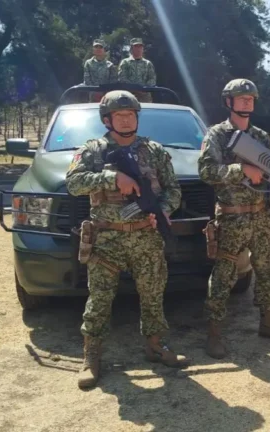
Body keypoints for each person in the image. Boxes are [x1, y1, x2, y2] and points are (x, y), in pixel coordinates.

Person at [65, 90, 189, 389]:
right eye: (119, 115)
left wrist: (163, 210)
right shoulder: (92, 150)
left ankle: (156, 345)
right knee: (99, 299)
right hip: (106, 239)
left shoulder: (154, 151)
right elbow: (73, 183)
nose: (125, 120)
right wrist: (112, 178)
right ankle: (91, 357)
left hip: (146, 237)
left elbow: (173, 189)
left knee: (153, 295)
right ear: (107, 119)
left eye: (130, 114)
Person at [197, 78, 270, 359]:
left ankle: (268, 323)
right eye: (241, 97)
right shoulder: (216, 135)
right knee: (224, 276)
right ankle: (214, 334)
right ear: (229, 102)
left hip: (262, 217)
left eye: (250, 98)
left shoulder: (260, 136)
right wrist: (241, 170)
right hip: (232, 218)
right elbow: (206, 172)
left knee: (266, 271)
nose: (247, 101)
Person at [117, 38, 156, 103]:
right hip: (129, 95)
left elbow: (152, 79)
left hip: (145, 97)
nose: (138, 49)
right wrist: (134, 88)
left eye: (140, 46)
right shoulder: (125, 62)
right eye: (136, 46)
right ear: (131, 49)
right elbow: (122, 78)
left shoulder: (148, 63)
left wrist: (144, 89)